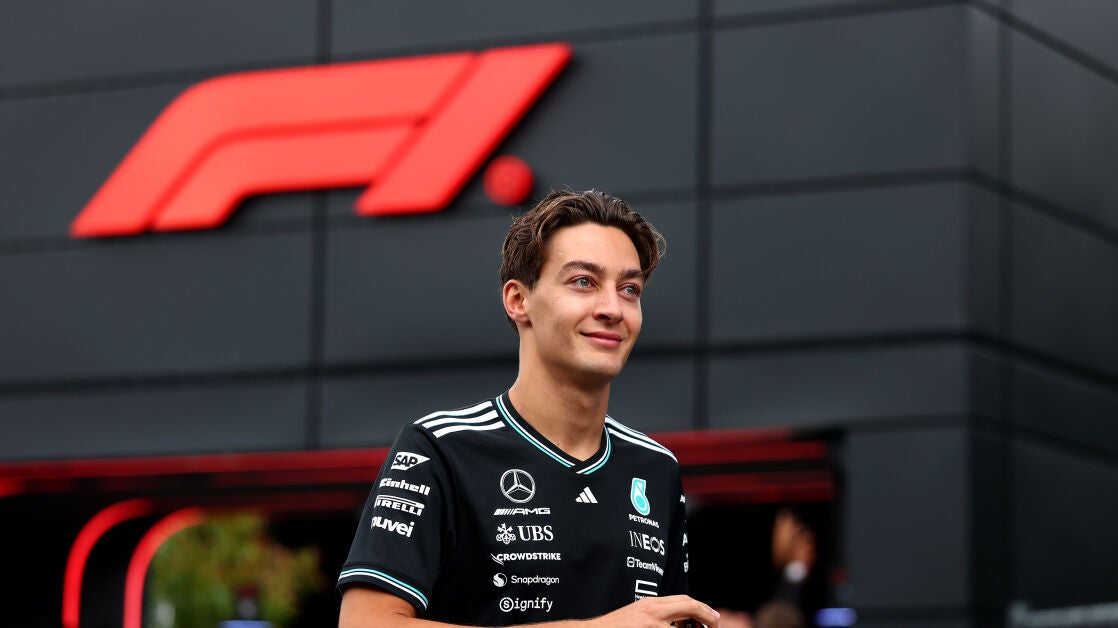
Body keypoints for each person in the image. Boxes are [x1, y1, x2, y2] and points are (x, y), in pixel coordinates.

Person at [337, 190, 720, 628]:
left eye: (629, 289)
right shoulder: (437, 449)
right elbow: (364, 623)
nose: (613, 308)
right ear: (519, 301)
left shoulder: (656, 467)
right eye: (584, 282)